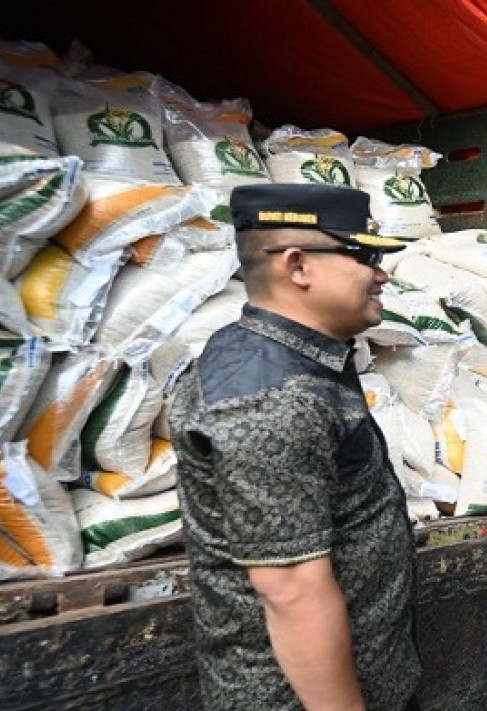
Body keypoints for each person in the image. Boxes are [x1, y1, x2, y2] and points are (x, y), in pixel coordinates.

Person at [169, 184, 422, 710]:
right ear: (298, 266)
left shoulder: (299, 362)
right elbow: (291, 590)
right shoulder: (269, 395)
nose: (383, 273)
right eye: (364, 255)